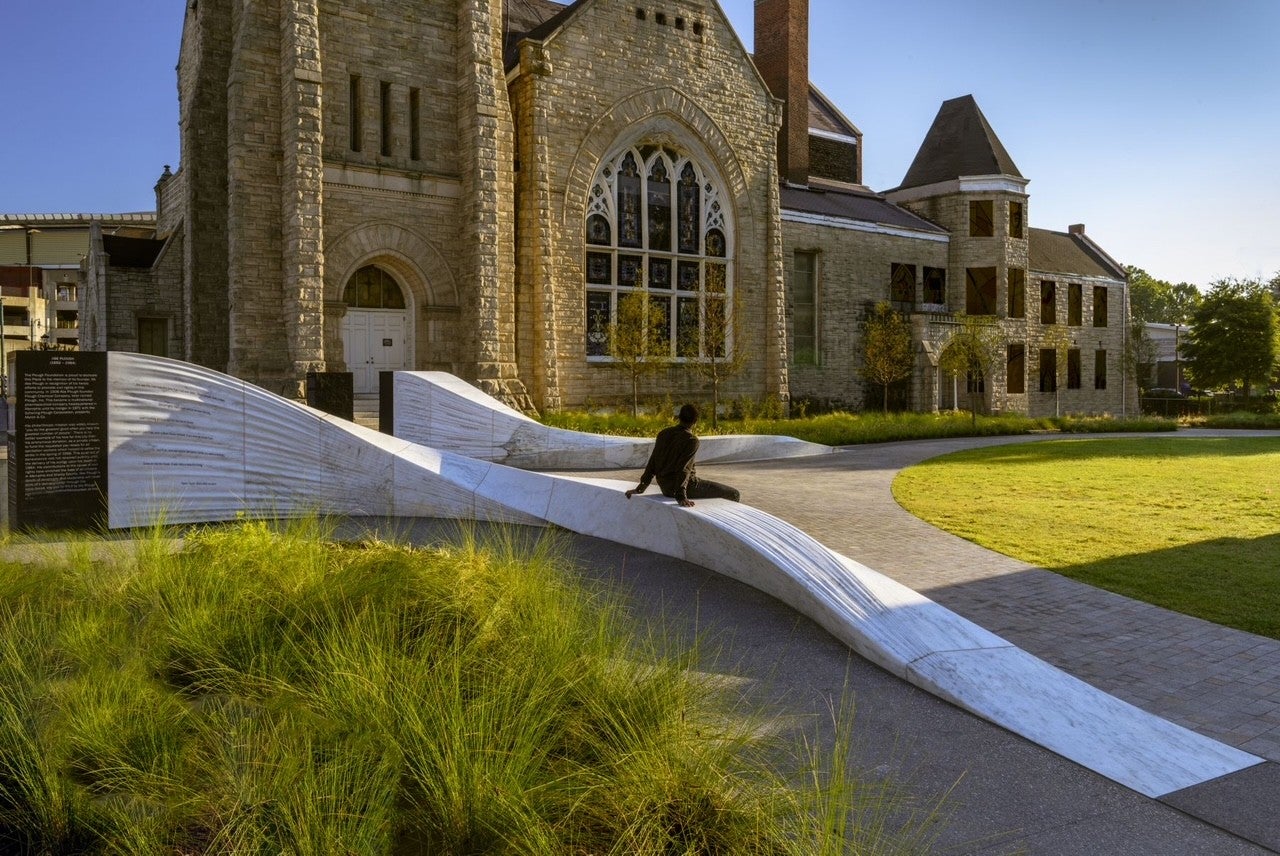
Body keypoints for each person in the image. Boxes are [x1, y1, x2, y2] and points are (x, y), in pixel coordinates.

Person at [624, 403, 740, 507]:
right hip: (685, 488)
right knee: (734, 494)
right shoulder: (691, 440)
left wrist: (640, 488)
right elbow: (684, 469)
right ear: (695, 422)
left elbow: (652, 462)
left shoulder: (663, 434)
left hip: (665, 488)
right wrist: (681, 497)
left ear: (679, 418)